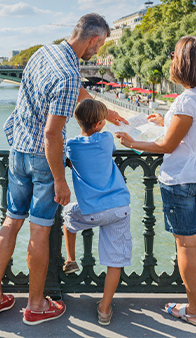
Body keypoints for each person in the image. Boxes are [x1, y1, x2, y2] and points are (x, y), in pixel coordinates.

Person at [0, 13, 127, 326]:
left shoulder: (43, 52)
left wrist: (106, 111)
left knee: (11, 220)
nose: (97, 52)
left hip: (17, 149)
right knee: (39, 229)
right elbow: (51, 134)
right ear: (93, 40)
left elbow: (75, 94)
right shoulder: (69, 76)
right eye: (99, 46)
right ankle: (36, 305)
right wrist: (61, 181)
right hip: (42, 159)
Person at [116, 36, 196, 332]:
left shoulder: (187, 100)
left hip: (182, 178)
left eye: (173, 56)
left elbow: (168, 146)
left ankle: (194, 310)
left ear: (183, 63)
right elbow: (193, 130)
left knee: (186, 246)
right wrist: (165, 120)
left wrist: (134, 142)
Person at [62, 99, 132, 326]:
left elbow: (67, 156)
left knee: (68, 215)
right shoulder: (106, 138)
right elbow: (108, 145)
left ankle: (71, 259)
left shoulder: (71, 145)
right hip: (119, 208)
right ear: (101, 123)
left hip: (92, 211)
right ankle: (104, 309)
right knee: (115, 260)